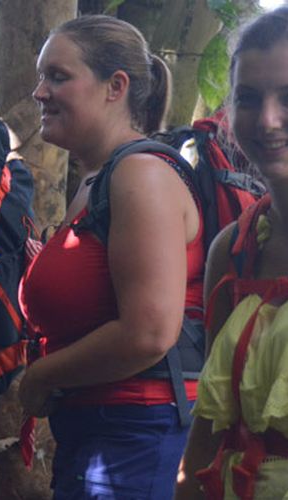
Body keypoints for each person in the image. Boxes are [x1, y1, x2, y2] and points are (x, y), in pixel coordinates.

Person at [17, 15, 205, 499]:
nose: (40, 92)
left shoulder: (140, 175)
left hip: (135, 436)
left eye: (58, 76)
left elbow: (148, 332)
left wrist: (40, 376)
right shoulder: (97, 182)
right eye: (42, 77)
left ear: (114, 87)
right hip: (99, 432)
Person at [176, 8, 288, 499]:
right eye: (248, 98)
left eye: (287, 97)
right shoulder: (235, 249)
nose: (268, 120)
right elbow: (211, 425)